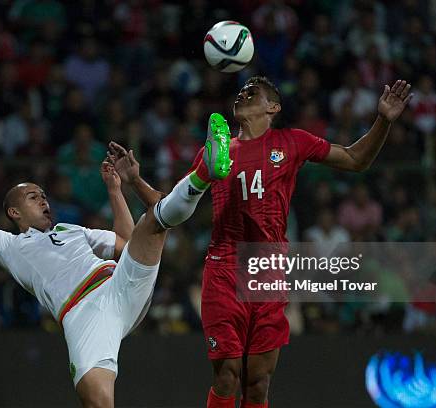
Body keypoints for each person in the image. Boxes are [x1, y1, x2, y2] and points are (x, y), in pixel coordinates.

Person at [116, 76, 411, 408]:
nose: (242, 94)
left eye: (252, 92)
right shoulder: (215, 150)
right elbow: (170, 205)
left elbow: (357, 159)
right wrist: (134, 181)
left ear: (273, 107)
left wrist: (383, 120)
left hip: (267, 272)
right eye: (240, 91)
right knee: (227, 374)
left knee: (258, 383)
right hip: (225, 267)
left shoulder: (293, 142)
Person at [0, 118, 232, 407]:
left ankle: (204, 173)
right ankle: (201, 176)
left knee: (152, 223)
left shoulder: (71, 230)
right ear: (14, 212)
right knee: (98, 402)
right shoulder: (8, 246)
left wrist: (115, 190)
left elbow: (126, 242)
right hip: (82, 314)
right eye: (33, 197)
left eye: (44, 196)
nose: (44, 201)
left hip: (118, 282)